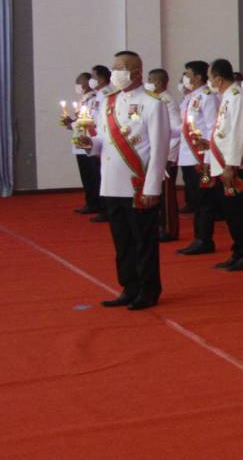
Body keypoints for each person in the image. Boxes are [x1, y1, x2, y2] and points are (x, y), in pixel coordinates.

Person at [94, 51, 170, 310]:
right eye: (114, 67)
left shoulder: (152, 103)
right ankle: (129, 286)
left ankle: (148, 290)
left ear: (137, 71)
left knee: (143, 241)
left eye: (122, 68)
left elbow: (159, 149)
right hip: (112, 183)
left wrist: (152, 187)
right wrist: (88, 144)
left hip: (138, 185)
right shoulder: (108, 102)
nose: (116, 72)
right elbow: (103, 140)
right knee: (122, 241)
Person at [206, 59, 243, 272]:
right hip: (223, 163)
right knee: (231, 213)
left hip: (235, 166)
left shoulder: (237, 98)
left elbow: (239, 133)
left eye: (210, 78)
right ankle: (238, 252)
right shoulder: (227, 97)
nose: (210, 82)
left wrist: (231, 165)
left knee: (241, 213)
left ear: (218, 79)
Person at [175, 60, 220, 256]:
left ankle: (204, 239)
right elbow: (182, 127)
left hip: (200, 156)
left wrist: (209, 160)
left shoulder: (207, 97)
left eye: (187, 74)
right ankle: (198, 236)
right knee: (194, 199)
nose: (185, 77)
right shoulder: (190, 97)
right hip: (187, 155)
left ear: (198, 77)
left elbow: (212, 128)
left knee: (204, 200)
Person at [145, 67, 182, 243]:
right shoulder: (153, 99)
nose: (148, 82)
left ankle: (169, 229)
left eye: (150, 79)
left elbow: (176, 130)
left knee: (167, 196)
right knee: (156, 193)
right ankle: (159, 226)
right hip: (154, 154)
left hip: (165, 156)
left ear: (158, 82)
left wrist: (168, 156)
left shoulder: (167, 101)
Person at [65, 70, 103, 218]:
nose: (78, 85)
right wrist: (72, 123)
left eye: (79, 82)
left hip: (90, 141)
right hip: (80, 140)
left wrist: (77, 124)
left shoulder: (94, 99)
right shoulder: (83, 100)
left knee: (94, 176)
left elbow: (92, 120)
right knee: (86, 176)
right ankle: (91, 202)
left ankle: (98, 204)